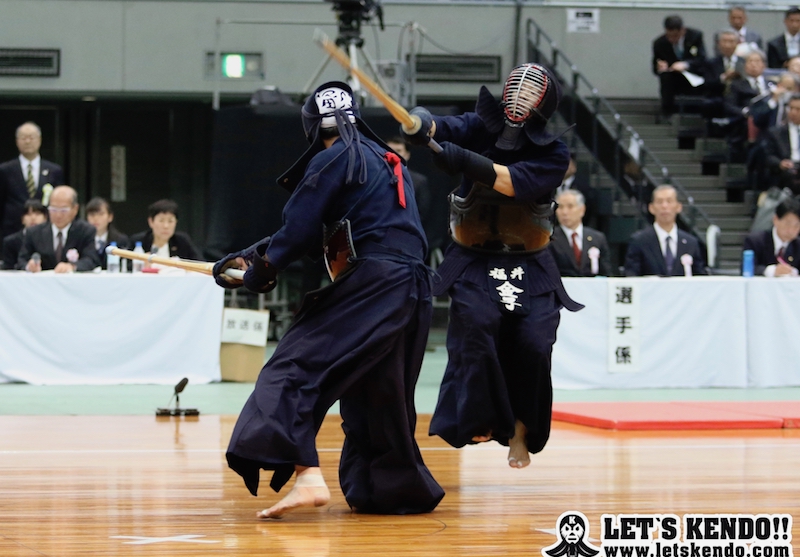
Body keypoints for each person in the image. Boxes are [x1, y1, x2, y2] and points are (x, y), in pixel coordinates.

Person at [212, 81, 444, 518]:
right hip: (413, 288)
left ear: (312, 126)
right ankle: (392, 491)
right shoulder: (387, 161)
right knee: (379, 390)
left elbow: (299, 230)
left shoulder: (331, 158)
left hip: (372, 282)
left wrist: (262, 270)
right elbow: (329, 231)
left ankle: (307, 476)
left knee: (292, 367)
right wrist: (252, 257)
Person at [401, 63, 583, 469]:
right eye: (516, 87)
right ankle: (480, 418)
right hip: (473, 257)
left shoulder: (553, 153)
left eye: (531, 91)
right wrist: (422, 122)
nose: (520, 97)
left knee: (535, 345)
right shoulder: (481, 126)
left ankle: (520, 428)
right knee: (477, 330)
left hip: (530, 261)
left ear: (544, 103)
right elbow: (443, 126)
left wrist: (462, 160)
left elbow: (511, 181)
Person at [0, 122, 65, 244]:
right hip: (13, 230)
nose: (28, 141)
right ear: (17, 141)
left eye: (31, 137)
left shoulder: (54, 170)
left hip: (46, 231)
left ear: (39, 140)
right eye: (24, 138)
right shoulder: (5, 170)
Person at [624, 184, 706, 276]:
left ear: (679, 207)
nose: (664, 206)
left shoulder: (691, 243)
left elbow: (700, 278)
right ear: (651, 208)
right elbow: (631, 276)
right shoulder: (639, 241)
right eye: (659, 202)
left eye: (669, 201)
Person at [16, 185, 99, 273]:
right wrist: (29, 266)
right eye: (53, 209)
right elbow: (21, 261)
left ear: (75, 209)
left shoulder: (85, 231)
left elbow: (91, 260)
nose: (58, 215)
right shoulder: (33, 232)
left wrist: (72, 266)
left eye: (63, 210)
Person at [652, 15, 707, 117]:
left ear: (682, 31)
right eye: (669, 36)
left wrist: (686, 64)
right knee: (666, 79)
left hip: (693, 74)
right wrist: (660, 67)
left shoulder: (695, 36)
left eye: (675, 36)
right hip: (673, 77)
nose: (672, 39)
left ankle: (695, 112)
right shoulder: (659, 43)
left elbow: (702, 59)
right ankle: (668, 113)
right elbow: (655, 67)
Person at [550, 189, 613, 277]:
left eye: (570, 206)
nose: (564, 212)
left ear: (582, 210)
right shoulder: (549, 238)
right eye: (560, 207)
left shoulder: (597, 238)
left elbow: (606, 272)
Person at [742, 196, 800, 276]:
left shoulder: (797, 245)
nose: (791, 230)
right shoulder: (755, 241)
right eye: (787, 224)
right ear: (775, 220)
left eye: (796, 226)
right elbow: (746, 269)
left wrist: (793, 271)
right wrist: (772, 271)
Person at [129, 199, 202, 262]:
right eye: (161, 221)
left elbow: (200, 264)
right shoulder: (139, 240)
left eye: (170, 221)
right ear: (151, 222)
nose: (166, 226)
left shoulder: (181, 241)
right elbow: (125, 264)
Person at [764, 93, 800, 194]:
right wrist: (780, 163)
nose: (793, 112)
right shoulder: (776, 133)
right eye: (791, 108)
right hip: (786, 171)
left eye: (798, 109)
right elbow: (769, 156)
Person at [1, 199, 47, 270]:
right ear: (22, 219)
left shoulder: (49, 238)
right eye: (28, 214)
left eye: (37, 214)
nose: (33, 218)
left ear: (45, 218)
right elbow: (7, 268)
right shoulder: (10, 242)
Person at [86, 197, 128, 270]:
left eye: (101, 214)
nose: (96, 218)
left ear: (110, 217)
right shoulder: (82, 239)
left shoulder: (120, 240)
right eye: (92, 215)